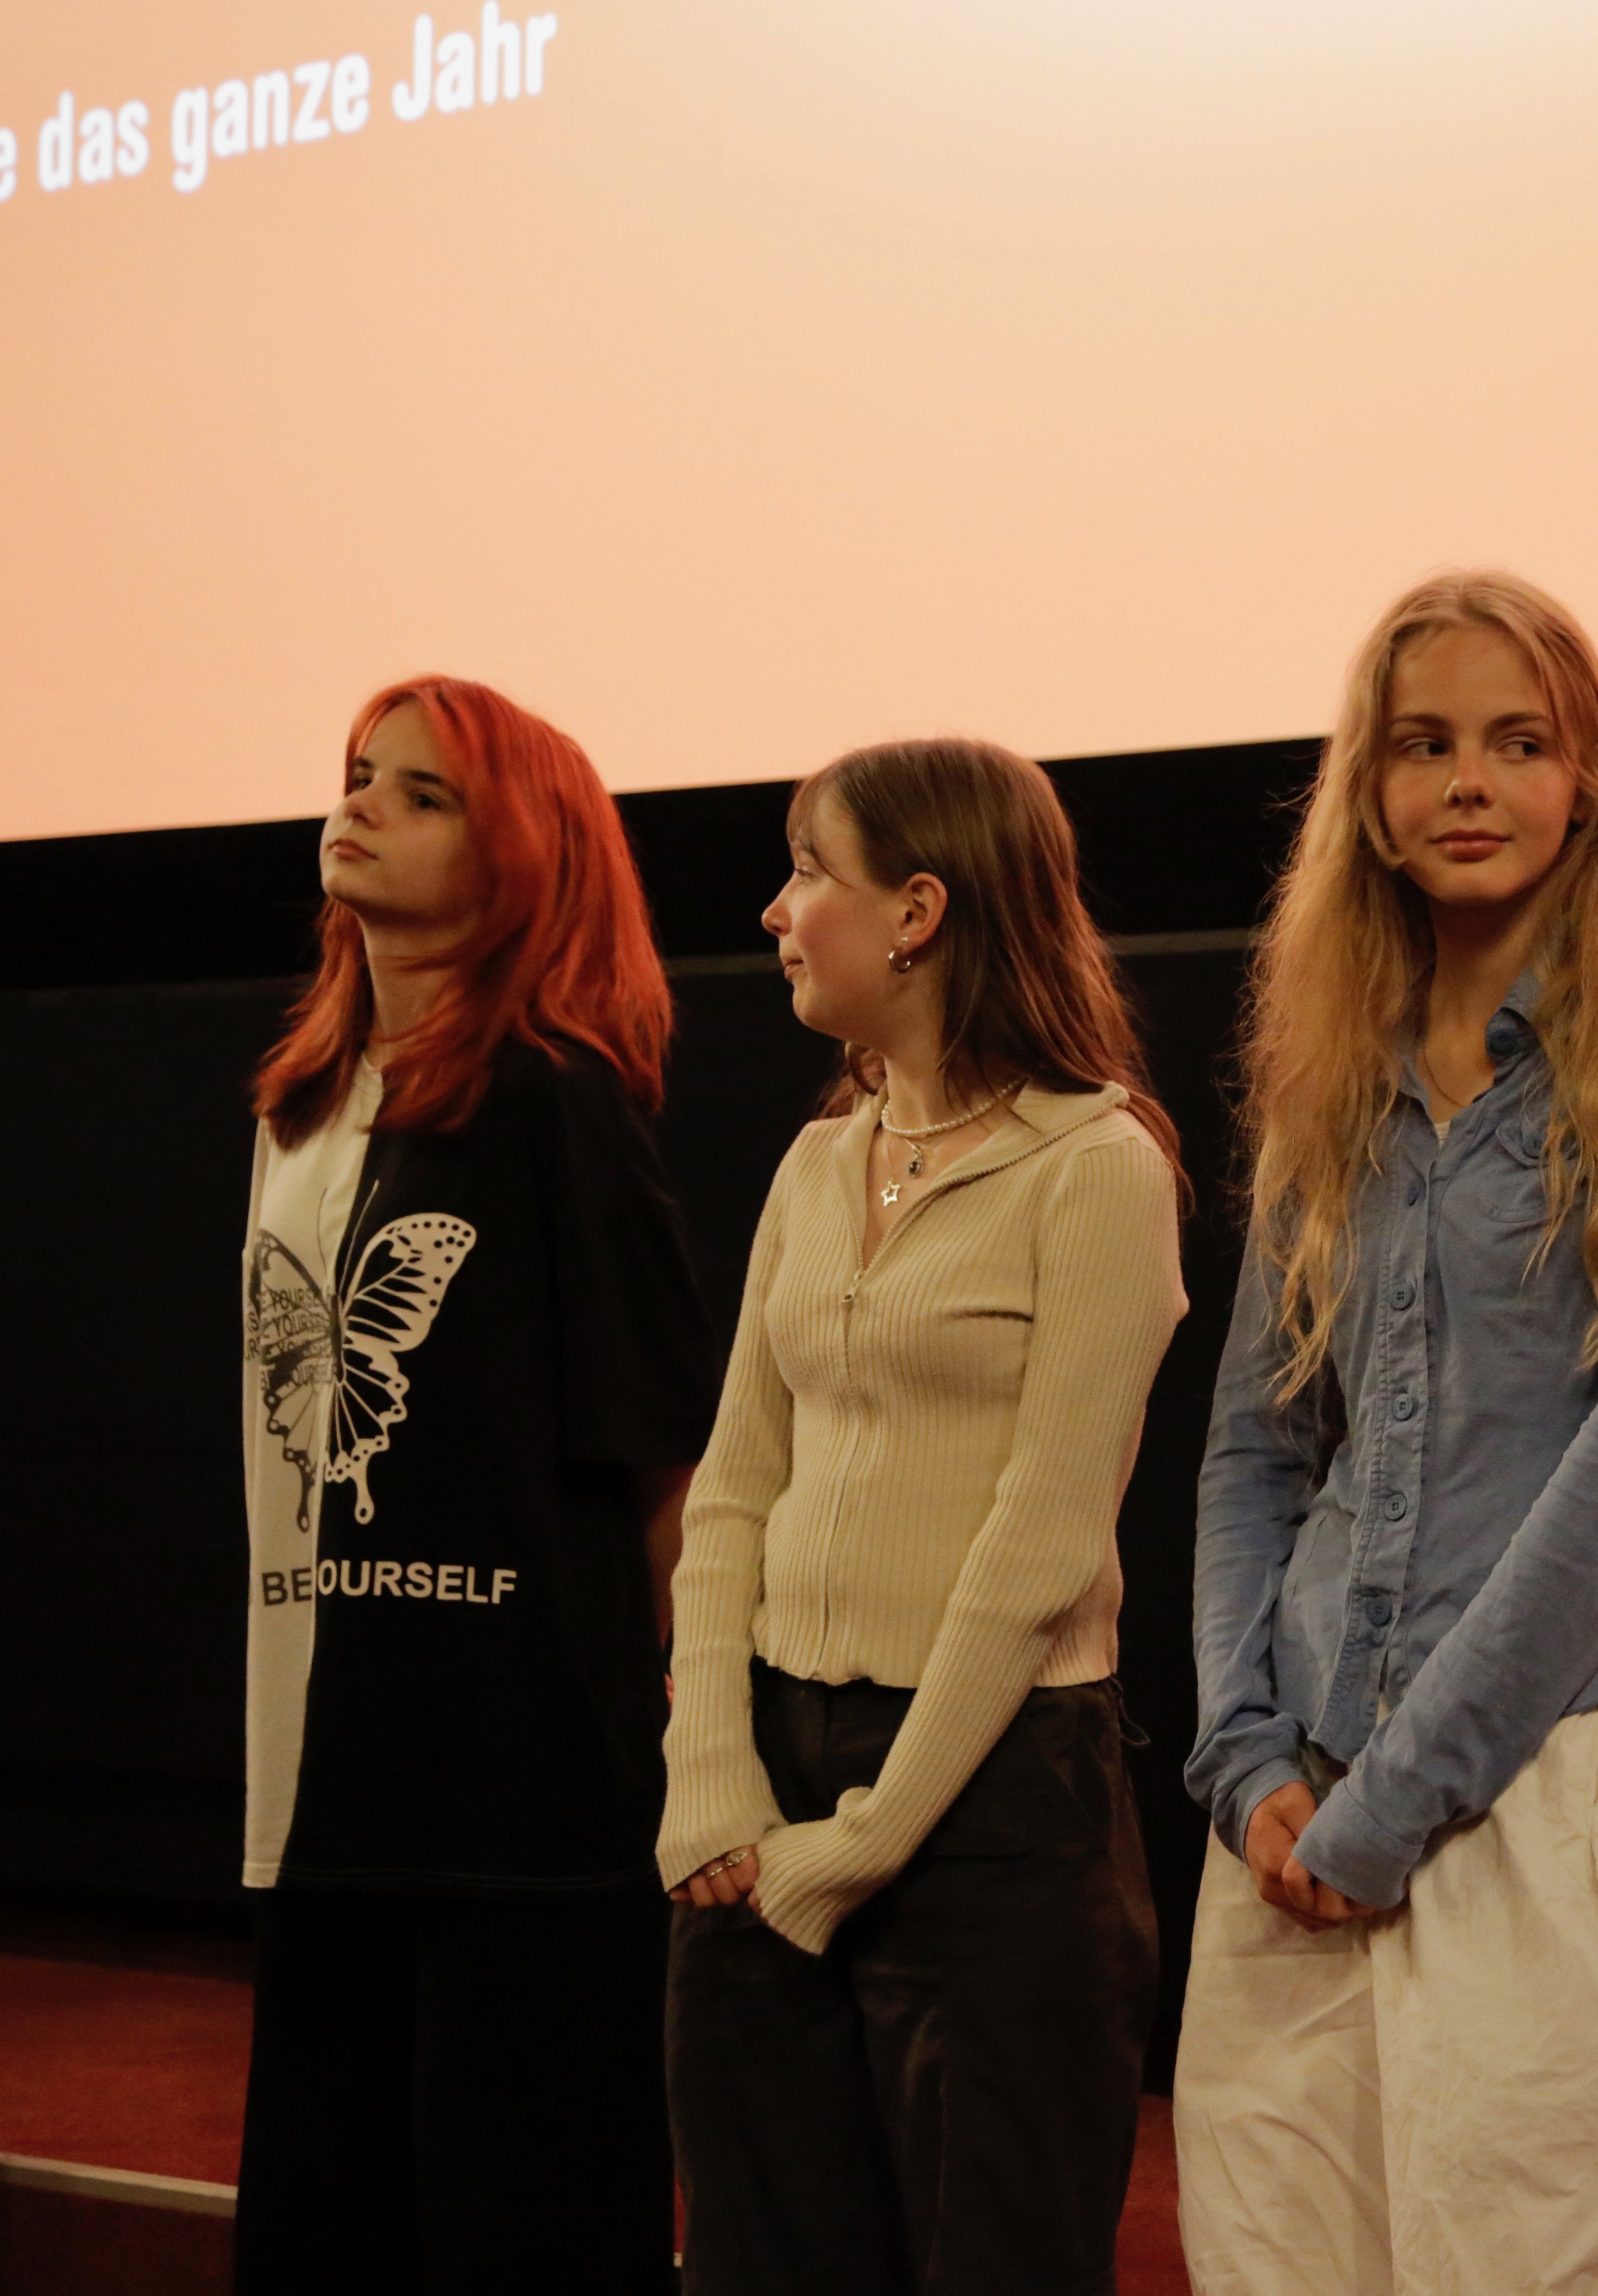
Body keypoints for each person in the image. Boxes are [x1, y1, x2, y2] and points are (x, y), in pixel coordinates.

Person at [1177, 570, 1598, 2296]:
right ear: (1369, 796)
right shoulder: (1332, 1058)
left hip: (1551, 1779)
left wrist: (1400, 1795)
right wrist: (1245, 1760)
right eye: (1425, 745)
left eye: (1520, 742)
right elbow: (1253, 1450)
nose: (1470, 782)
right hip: (1297, 1812)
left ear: (1589, 781)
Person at [657, 737, 1187, 2295]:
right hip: (770, 1778)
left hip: (995, 1801)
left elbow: (1044, 1545)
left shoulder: (1096, 1166)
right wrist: (710, 1769)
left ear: (918, 911)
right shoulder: (816, 1163)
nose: (776, 912)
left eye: (808, 870)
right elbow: (734, 1483)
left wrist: (874, 1836)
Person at [232, 678, 716, 2296]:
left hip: (525, 1787)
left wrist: (689, 1736)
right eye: (361, 775)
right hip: (326, 1773)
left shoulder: (558, 1096)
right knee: (326, 2228)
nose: (361, 805)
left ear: (519, 852)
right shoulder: (301, 1105)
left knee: (525, 2230)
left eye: (422, 793)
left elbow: (666, 1455)